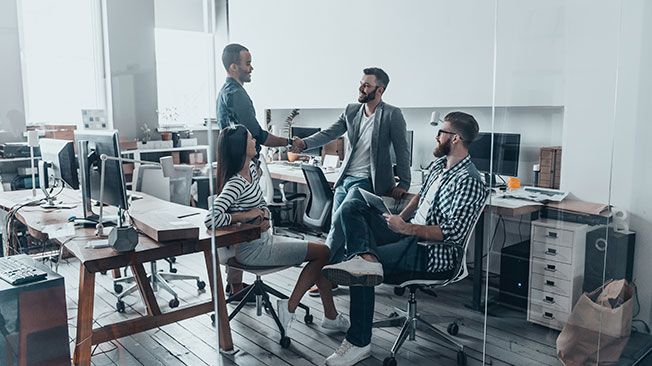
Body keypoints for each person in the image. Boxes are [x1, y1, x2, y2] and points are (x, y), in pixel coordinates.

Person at [319, 112, 487, 366]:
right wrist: (397, 219)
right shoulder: (438, 166)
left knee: (361, 271)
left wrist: (406, 230)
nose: (436, 135)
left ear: (455, 139)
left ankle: (359, 342)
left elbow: (452, 232)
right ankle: (364, 258)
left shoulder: (470, 180)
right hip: (408, 234)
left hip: (430, 252)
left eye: (441, 132)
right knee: (353, 202)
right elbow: (420, 198)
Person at [205, 124, 349, 335]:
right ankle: (291, 308)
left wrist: (262, 214)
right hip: (253, 251)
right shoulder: (235, 183)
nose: (255, 140)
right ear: (239, 147)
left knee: (321, 252)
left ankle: (330, 317)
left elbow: (260, 203)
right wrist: (246, 216)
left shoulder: (253, 170)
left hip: (267, 240)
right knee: (323, 252)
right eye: (250, 139)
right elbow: (211, 219)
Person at [290, 67, 411, 295]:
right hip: (345, 178)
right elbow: (330, 133)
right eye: (361, 83)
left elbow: (402, 149)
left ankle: (320, 272)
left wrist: (404, 182)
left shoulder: (392, 115)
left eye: (366, 85)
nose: (361, 88)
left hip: (367, 181)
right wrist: (304, 144)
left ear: (380, 89)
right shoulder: (351, 110)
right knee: (338, 227)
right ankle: (331, 275)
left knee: (336, 225)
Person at [217, 43, 294, 295]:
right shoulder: (237, 93)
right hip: (243, 165)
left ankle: (235, 285)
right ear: (233, 66)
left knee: (235, 224)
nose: (252, 68)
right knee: (250, 218)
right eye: (248, 63)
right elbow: (257, 135)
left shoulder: (224, 92)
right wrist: (288, 142)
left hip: (230, 163)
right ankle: (246, 275)